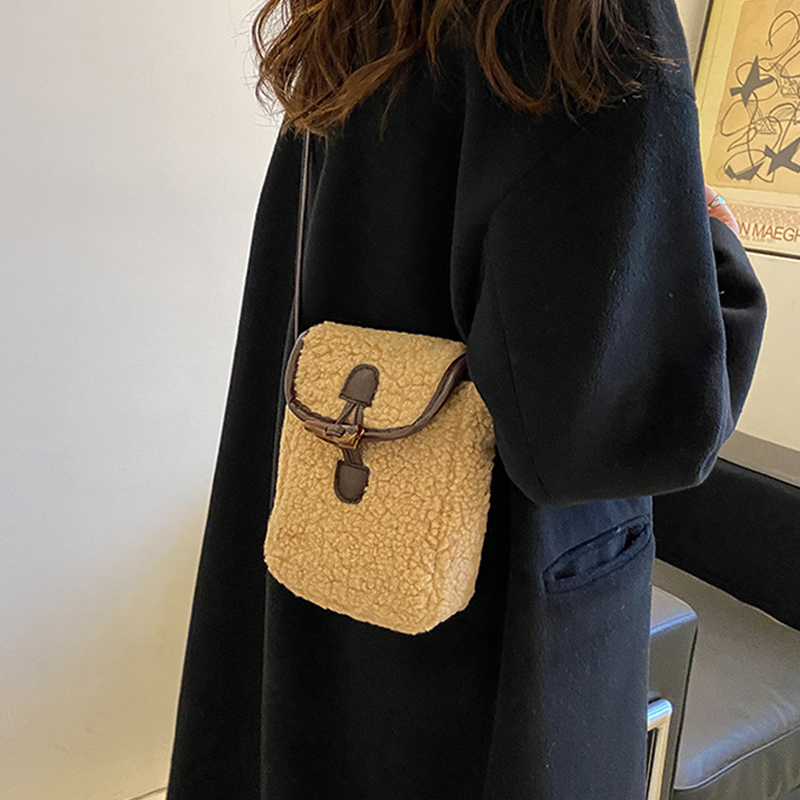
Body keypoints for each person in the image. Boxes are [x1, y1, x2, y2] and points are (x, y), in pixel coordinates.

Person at [166, 0, 767, 798]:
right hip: (488, 642)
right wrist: (713, 252)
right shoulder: (587, 18)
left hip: (321, 567)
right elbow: (616, 424)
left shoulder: (360, 15)